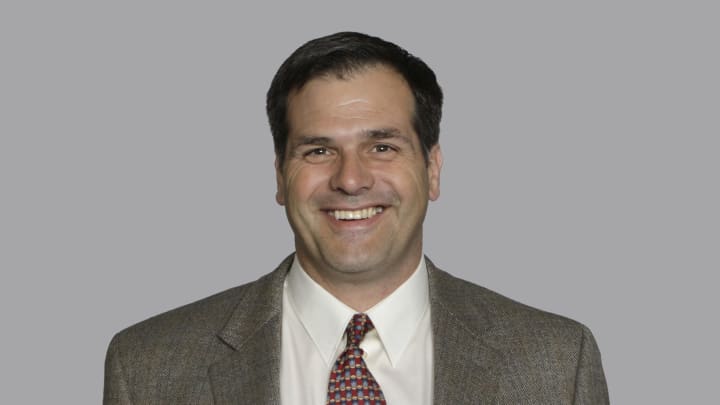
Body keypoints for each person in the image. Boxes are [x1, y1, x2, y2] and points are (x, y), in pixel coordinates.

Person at [103, 31, 609, 404]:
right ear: (280, 176)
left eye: (382, 146)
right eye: (319, 150)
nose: (350, 179)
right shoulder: (148, 371)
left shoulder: (557, 365)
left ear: (431, 170)